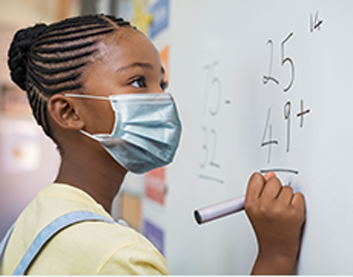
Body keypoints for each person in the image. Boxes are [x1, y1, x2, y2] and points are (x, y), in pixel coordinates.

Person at [0, 14, 305, 275]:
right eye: (138, 82)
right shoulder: (118, 257)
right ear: (69, 112)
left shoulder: (33, 220)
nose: (161, 99)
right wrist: (275, 256)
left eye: (162, 84)